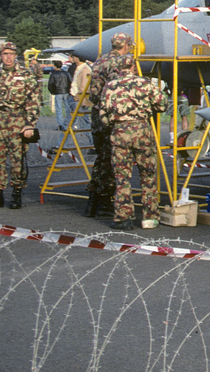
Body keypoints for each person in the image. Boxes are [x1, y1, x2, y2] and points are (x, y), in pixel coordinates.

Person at [99, 61, 168, 230]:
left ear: (117, 68)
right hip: (142, 130)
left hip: (120, 132)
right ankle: (150, 218)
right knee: (148, 175)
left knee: (122, 177)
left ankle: (124, 218)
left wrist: (116, 124)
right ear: (134, 68)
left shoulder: (110, 86)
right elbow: (162, 105)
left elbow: (103, 114)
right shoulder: (145, 83)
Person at [0, 42, 40, 211]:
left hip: (18, 120)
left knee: (17, 159)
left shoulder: (26, 74)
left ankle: (16, 193)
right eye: (5, 53)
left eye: (11, 53)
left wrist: (30, 124)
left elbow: (33, 101)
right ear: (0, 55)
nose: (8, 56)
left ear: (15, 55)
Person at [84, 33, 133, 219]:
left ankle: (93, 201)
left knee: (101, 157)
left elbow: (95, 92)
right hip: (111, 116)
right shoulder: (119, 63)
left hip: (97, 114)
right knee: (111, 160)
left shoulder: (99, 61)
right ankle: (103, 200)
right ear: (126, 45)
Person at [48, 57, 74, 131]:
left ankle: (60, 124)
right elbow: (70, 81)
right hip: (66, 92)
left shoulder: (53, 74)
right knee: (67, 108)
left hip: (58, 92)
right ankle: (68, 123)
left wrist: (53, 91)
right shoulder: (66, 73)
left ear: (55, 66)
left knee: (59, 109)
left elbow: (50, 84)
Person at [69, 53, 93, 132]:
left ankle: (91, 140)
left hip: (79, 99)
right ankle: (61, 142)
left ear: (78, 58)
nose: (73, 58)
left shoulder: (85, 69)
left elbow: (84, 86)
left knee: (82, 122)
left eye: (74, 56)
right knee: (71, 122)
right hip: (74, 97)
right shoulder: (78, 68)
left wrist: (78, 96)